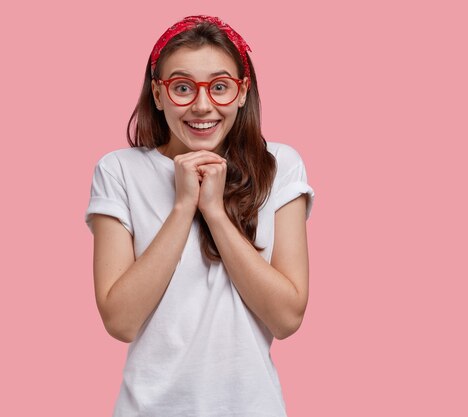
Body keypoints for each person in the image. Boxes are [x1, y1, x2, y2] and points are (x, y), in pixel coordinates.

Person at [84, 15, 315, 417]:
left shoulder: (279, 166)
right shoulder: (118, 170)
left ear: (242, 93)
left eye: (220, 86)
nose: (203, 105)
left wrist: (214, 211)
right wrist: (182, 205)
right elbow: (121, 322)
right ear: (158, 94)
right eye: (183, 87)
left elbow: (286, 317)